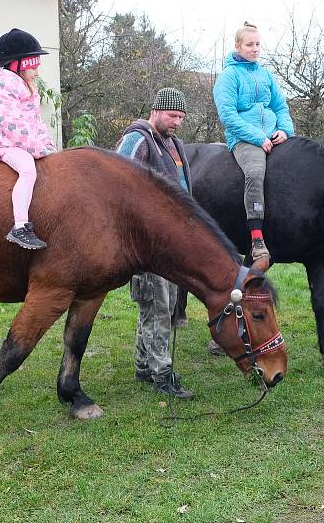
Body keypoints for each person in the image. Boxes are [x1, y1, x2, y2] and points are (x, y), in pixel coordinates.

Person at [115, 88, 194, 400]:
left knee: (165, 304)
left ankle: (143, 365)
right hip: (146, 244)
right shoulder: (138, 139)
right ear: (156, 110)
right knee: (157, 306)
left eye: (181, 118)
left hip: (172, 242)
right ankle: (163, 375)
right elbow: (117, 181)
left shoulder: (173, 143)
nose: (177, 122)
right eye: (173, 115)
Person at [213, 22, 295, 262]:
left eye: (258, 44)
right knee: (255, 173)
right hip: (245, 139)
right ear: (238, 46)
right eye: (250, 45)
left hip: (273, 135)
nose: (255, 49)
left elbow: (280, 106)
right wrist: (257, 137)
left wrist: (285, 130)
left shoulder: (266, 74)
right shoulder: (228, 77)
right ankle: (257, 239)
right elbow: (228, 116)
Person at [0, 28, 56, 250]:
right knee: (28, 169)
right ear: (16, 65)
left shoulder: (25, 86)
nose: (37, 72)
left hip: (21, 144)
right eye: (33, 66)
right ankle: (20, 226)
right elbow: (13, 125)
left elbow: (36, 122)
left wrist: (47, 145)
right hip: (4, 145)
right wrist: (38, 149)